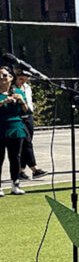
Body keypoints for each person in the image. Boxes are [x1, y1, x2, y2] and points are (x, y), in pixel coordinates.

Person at [0, 67, 30, 196]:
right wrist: (3, 102)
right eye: (0, 76)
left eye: (5, 75)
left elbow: (27, 111)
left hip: (16, 128)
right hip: (1, 127)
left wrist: (22, 101)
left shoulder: (18, 92)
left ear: (11, 77)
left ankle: (15, 184)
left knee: (15, 157)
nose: (2, 78)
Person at [11, 71, 44, 180]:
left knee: (25, 144)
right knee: (27, 142)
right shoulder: (11, 89)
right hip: (19, 117)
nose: (23, 81)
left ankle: (21, 170)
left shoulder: (27, 87)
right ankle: (35, 169)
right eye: (21, 79)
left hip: (28, 116)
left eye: (25, 79)